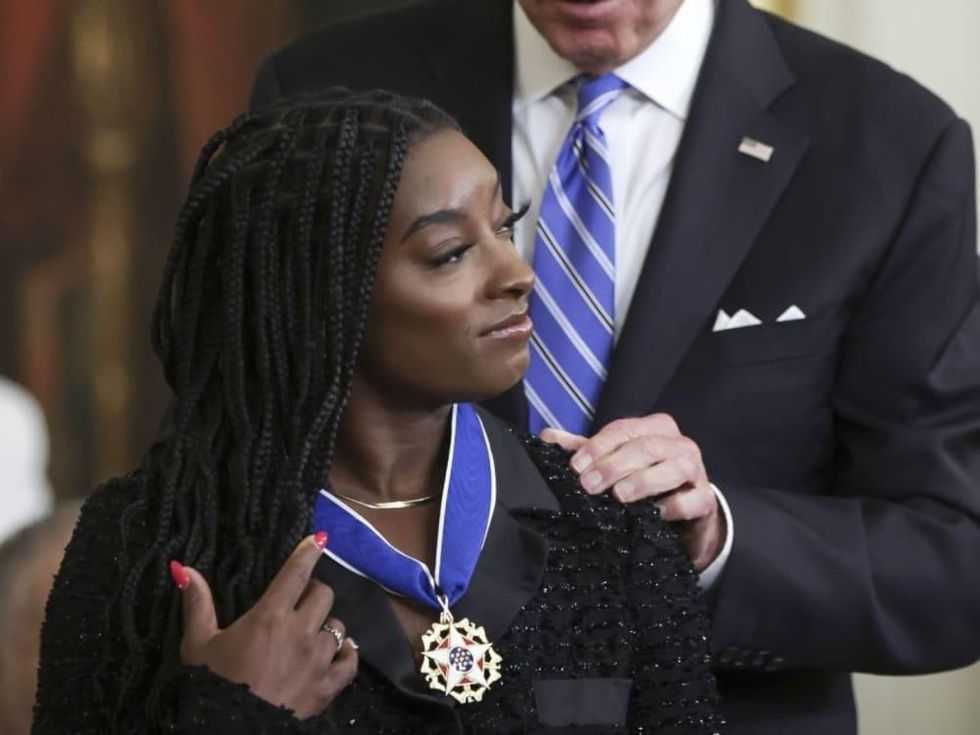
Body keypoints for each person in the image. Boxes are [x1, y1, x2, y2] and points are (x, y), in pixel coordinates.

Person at [248, 1, 980, 733]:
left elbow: (952, 558)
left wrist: (717, 538)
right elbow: (235, 444)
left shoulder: (893, 144)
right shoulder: (326, 88)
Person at [33, 90, 722, 733]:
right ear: (321, 296)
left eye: (504, 227)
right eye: (451, 252)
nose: (518, 273)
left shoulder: (604, 517)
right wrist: (237, 711)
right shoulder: (144, 544)